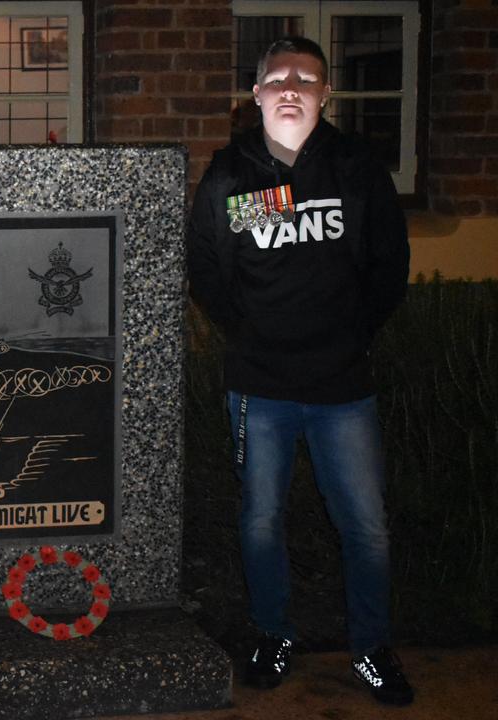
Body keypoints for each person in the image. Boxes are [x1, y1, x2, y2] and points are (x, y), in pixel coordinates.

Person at [187, 37, 412, 706]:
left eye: (306, 79)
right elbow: (208, 268)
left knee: (365, 526)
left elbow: (388, 264)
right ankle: (272, 635)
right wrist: (251, 335)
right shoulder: (232, 175)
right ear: (254, 93)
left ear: (324, 95)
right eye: (277, 77)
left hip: (343, 386)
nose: (291, 87)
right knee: (261, 520)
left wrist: (350, 336)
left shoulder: (354, 168)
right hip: (260, 386)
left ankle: (372, 651)